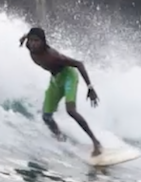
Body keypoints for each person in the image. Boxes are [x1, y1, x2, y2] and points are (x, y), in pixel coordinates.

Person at [19, 27, 101, 156]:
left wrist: (90, 88)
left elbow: (79, 64)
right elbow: (28, 38)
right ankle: (60, 138)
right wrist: (24, 37)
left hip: (68, 76)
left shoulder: (53, 56)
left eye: (37, 41)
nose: (33, 43)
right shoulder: (29, 46)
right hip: (56, 80)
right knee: (46, 117)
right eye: (31, 40)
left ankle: (96, 142)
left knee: (71, 111)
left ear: (43, 42)